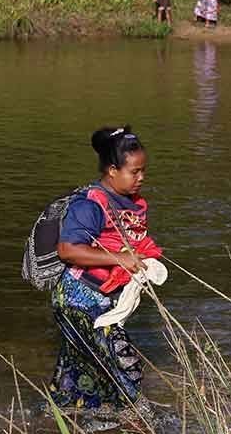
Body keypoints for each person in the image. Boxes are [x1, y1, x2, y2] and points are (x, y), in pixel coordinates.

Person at [50, 126, 162, 411]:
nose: (141, 178)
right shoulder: (90, 205)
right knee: (127, 366)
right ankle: (142, 423)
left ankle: (64, 423)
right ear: (112, 170)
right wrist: (120, 258)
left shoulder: (132, 203)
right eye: (134, 171)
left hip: (104, 298)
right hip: (78, 298)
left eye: (143, 170)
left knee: (77, 376)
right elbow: (68, 250)